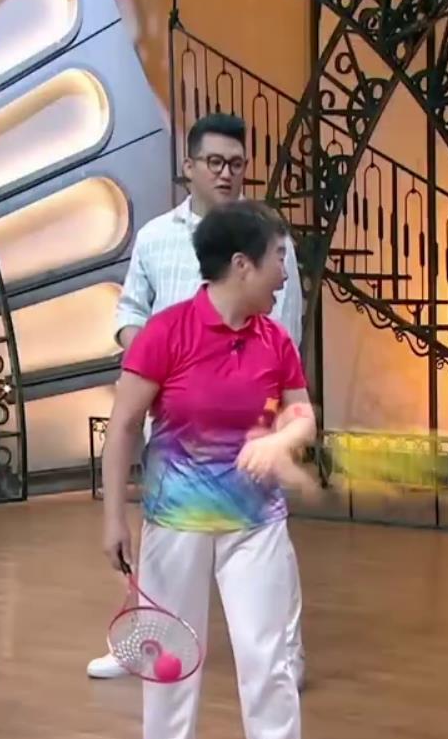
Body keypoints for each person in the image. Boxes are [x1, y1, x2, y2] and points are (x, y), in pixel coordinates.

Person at [100, 199, 316, 739]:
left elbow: (302, 415)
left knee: (266, 666)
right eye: (278, 258)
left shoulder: (275, 340)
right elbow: (123, 426)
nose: (285, 274)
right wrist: (114, 520)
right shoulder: (167, 333)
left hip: (256, 528)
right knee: (169, 659)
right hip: (174, 526)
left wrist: (281, 441)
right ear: (242, 264)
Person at [88, 112, 309, 690]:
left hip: (247, 430)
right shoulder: (155, 237)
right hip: (173, 423)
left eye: (237, 164)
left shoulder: (270, 240)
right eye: (215, 162)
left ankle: (283, 655)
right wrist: (156, 362)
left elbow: (285, 328)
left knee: (266, 544)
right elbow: (129, 312)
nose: (227, 174)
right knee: (164, 542)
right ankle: (146, 643)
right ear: (189, 167)